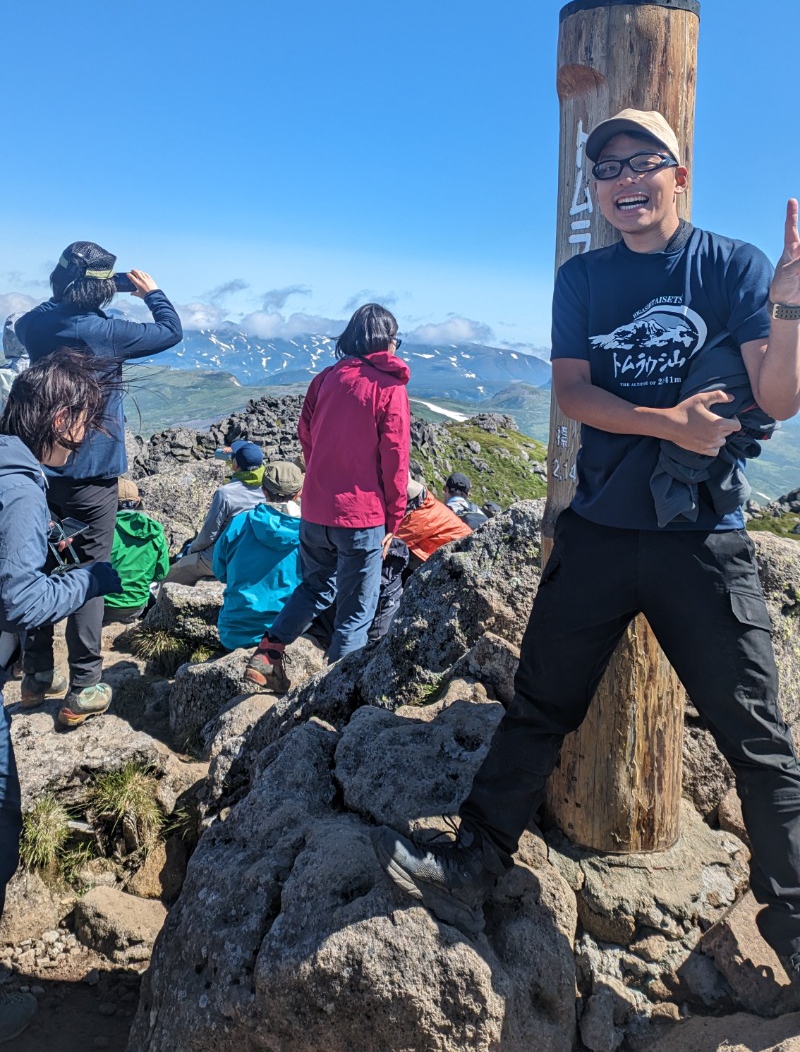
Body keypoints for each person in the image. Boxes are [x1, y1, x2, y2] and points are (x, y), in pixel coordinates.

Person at [372, 107, 800, 982]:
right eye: (606, 169)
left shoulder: (732, 264)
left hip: (701, 539)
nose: (624, 179)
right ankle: (475, 863)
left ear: (679, 175)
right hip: (601, 531)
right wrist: (667, 423)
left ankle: (792, 917)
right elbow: (573, 392)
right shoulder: (585, 278)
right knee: (539, 706)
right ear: (595, 189)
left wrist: (790, 300)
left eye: (644, 162)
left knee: (756, 736)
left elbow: (781, 396)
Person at [0, 351, 122, 1041]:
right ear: (60, 416)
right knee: (3, 824)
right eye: (84, 421)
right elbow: (19, 601)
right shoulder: (19, 487)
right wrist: (88, 581)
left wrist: (47, 546)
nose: (85, 437)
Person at [14, 242, 182, 726]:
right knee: (89, 570)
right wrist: (150, 292)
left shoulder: (34, 326)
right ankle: (84, 685)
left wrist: (83, 291)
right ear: (101, 287)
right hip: (93, 470)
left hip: (38, 465)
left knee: (43, 562)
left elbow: (46, 308)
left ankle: (39, 675)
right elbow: (171, 331)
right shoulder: (107, 333)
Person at [246, 303, 410, 691]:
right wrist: (394, 519)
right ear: (386, 342)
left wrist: (323, 483)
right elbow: (396, 459)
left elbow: (308, 439)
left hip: (316, 511)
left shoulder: (323, 381)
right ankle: (335, 700)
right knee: (356, 613)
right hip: (363, 516)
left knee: (315, 587)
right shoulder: (388, 387)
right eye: (395, 340)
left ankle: (268, 653)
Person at [218, 462, 305, 654]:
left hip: (234, 633)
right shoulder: (309, 532)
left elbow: (220, 571)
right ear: (299, 493)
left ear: (264, 491)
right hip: (288, 633)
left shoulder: (240, 522)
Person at [169, 440, 267, 585]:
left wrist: (192, 550)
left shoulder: (226, 494)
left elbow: (209, 534)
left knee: (172, 574)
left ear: (235, 464)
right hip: (254, 554)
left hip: (224, 557)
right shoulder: (269, 486)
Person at [104, 479, 170, 623]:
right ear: (138, 502)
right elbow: (161, 573)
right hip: (136, 606)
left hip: (103, 606)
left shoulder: (103, 528)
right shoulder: (154, 531)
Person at [395, 478, 472, 572]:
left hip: (459, 562)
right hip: (453, 557)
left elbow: (393, 541)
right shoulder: (428, 506)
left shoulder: (424, 512)